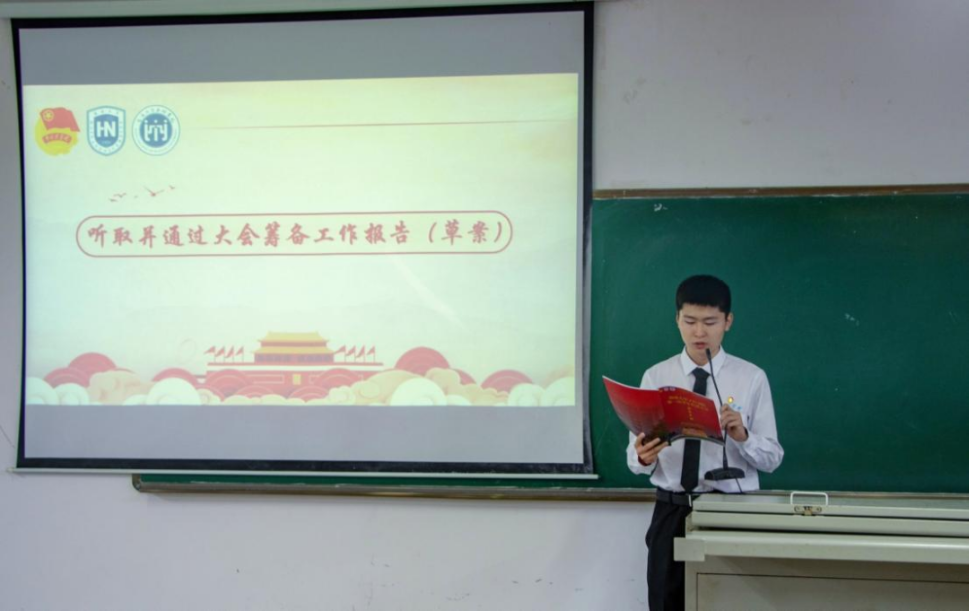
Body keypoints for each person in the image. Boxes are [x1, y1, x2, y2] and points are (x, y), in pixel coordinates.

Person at [627, 274, 784, 610]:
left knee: (730, 602)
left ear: (728, 321)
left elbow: (772, 458)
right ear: (677, 320)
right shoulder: (656, 376)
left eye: (710, 322)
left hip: (730, 511)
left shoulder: (751, 377)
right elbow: (635, 458)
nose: (699, 332)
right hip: (671, 510)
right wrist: (642, 456)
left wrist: (743, 437)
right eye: (690, 321)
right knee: (665, 602)